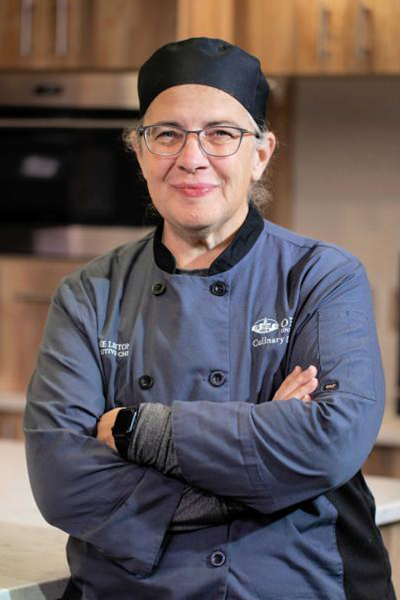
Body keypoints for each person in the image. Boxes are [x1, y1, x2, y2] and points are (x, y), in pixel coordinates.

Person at [24, 37, 395, 600]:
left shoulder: (322, 276)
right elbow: (61, 480)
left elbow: (331, 440)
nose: (191, 157)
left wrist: (139, 431)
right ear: (140, 150)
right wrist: (263, 448)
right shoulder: (87, 294)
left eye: (221, 133)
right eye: (166, 134)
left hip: (294, 582)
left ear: (261, 153)